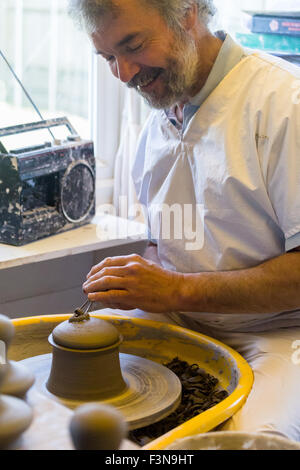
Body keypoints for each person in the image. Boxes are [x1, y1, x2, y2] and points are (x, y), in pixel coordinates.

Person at [69, 0, 300, 441]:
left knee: (243, 437)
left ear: (188, 13)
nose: (123, 74)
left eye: (133, 45)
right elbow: (170, 245)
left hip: (280, 331)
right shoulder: (158, 118)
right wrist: (140, 274)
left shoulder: (285, 103)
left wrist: (174, 289)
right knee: (81, 389)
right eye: (108, 58)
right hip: (185, 317)